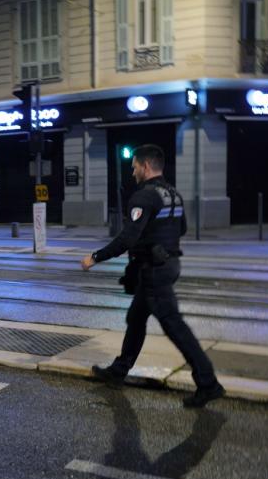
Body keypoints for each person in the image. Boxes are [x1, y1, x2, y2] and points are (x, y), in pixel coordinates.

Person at [81, 145, 225, 408]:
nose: (132, 171)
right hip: (168, 264)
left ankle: (208, 383)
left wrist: (96, 257)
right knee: (136, 318)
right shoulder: (174, 195)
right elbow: (181, 228)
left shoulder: (143, 197)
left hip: (154, 270)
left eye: (134, 166)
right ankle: (119, 370)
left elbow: (128, 236)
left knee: (175, 326)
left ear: (146, 167)